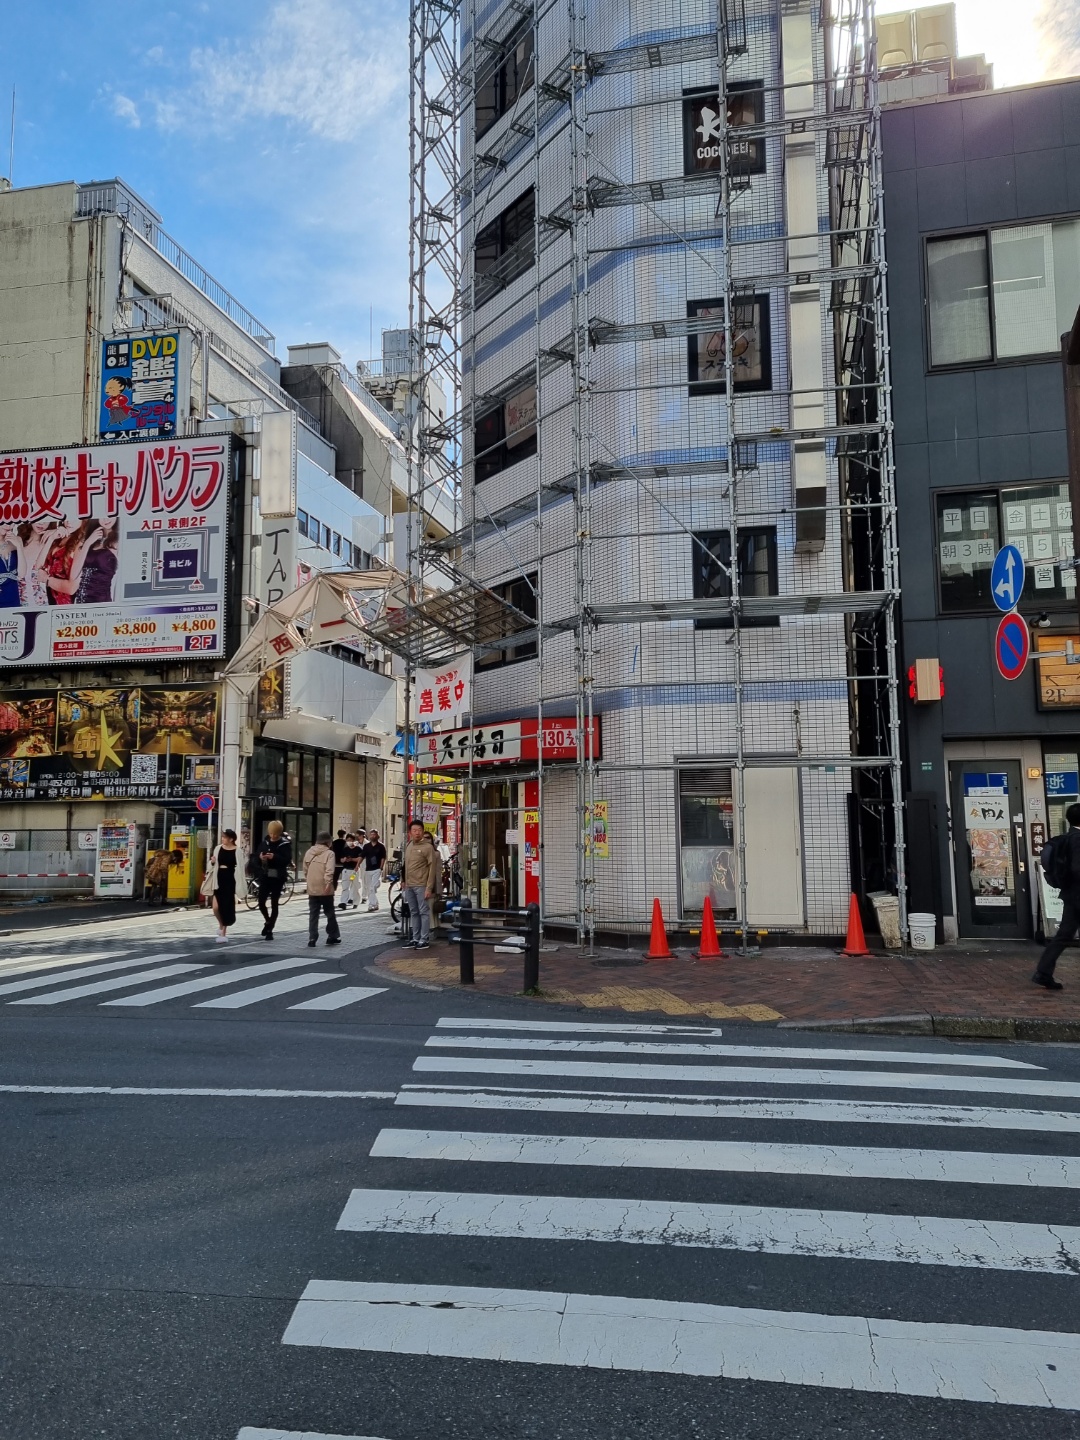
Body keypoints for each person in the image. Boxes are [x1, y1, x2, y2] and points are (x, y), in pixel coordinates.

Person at [1033, 803, 1080, 989]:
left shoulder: (1068, 837)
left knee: (1064, 935)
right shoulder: (1077, 839)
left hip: (1071, 894)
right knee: (1063, 935)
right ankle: (1043, 973)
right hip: (1077, 894)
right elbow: (1077, 868)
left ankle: (1043, 973)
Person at [402, 818, 439, 949]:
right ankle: (415, 938)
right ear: (410, 832)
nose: (417, 833)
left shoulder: (428, 847)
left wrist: (429, 888)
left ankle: (424, 939)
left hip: (421, 884)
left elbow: (432, 868)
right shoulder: (409, 845)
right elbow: (405, 865)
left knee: (423, 911)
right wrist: (403, 881)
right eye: (414, 830)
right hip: (409, 885)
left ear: (423, 832)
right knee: (414, 911)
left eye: (419, 830)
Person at [303, 830, 341, 947]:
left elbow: (305, 869)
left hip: (312, 887)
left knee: (313, 913)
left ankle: (312, 938)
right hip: (325, 887)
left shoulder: (309, 852)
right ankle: (332, 936)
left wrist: (309, 880)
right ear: (328, 842)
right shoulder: (330, 854)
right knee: (329, 913)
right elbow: (330, 870)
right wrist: (328, 883)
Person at [257, 819, 292, 940]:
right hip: (265, 875)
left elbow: (287, 860)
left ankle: (270, 929)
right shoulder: (265, 842)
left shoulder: (285, 844)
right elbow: (256, 855)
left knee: (274, 903)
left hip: (278, 876)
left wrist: (274, 857)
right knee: (261, 901)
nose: (273, 836)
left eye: (276, 834)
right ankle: (268, 921)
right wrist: (261, 857)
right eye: (271, 833)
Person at [208, 829, 239, 944]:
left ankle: (223, 933)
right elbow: (212, 865)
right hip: (218, 878)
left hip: (230, 879)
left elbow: (240, 868)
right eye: (222, 837)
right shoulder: (218, 848)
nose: (222, 839)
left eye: (225, 837)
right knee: (215, 908)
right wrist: (212, 862)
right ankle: (221, 925)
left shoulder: (237, 851)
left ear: (231, 839)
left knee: (226, 906)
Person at [361, 827, 387, 911]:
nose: (373, 836)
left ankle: (372, 904)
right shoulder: (366, 846)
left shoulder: (381, 846)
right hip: (368, 869)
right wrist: (357, 865)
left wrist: (381, 868)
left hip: (377, 869)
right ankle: (375, 904)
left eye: (374, 834)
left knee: (372, 887)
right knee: (369, 888)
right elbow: (362, 856)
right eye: (371, 834)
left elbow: (383, 857)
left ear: (377, 836)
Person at [337, 832, 363, 910]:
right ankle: (343, 902)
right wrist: (344, 859)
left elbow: (360, 859)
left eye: (350, 840)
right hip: (346, 870)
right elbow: (341, 860)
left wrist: (352, 859)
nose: (349, 842)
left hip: (354, 871)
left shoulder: (358, 849)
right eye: (347, 840)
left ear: (354, 840)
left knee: (354, 886)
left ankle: (355, 902)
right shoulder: (345, 849)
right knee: (345, 886)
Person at [331, 828, 348, 896]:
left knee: (335, 878)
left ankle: (333, 890)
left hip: (335, 863)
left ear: (338, 834)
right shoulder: (345, 843)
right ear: (344, 835)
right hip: (344, 863)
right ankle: (345, 890)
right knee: (345, 878)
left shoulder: (334, 843)